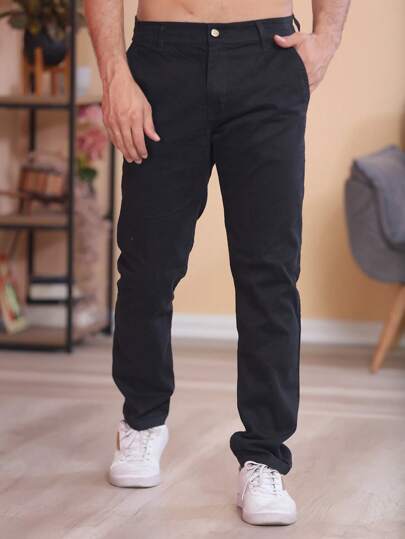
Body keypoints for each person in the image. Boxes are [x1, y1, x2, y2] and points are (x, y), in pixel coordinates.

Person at [85, 0, 350, 526]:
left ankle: (265, 455)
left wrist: (326, 40)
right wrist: (115, 76)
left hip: (266, 58)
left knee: (269, 272)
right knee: (147, 266)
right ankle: (141, 422)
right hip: (163, 61)